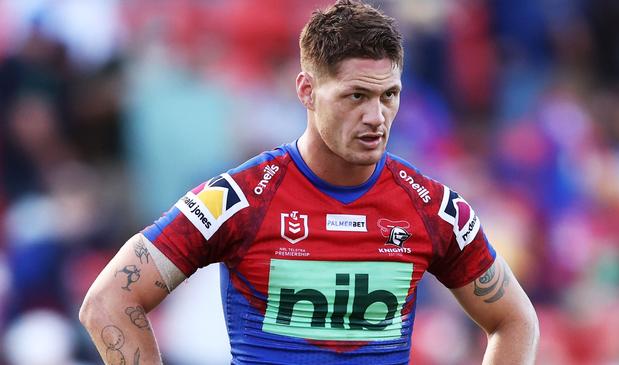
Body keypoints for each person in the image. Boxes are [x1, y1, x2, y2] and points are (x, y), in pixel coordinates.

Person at [79, 1, 540, 364]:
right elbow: (108, 302)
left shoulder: (431, 207)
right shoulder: (242, 199)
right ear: (306, 91)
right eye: (355, 96)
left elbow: (515, 321)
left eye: (389, 95)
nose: (376, 117)